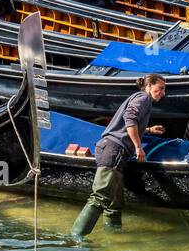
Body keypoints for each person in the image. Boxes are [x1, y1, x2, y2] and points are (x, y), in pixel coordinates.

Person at [70, 74, 167, 237]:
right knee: (100, 198)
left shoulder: (142, 99)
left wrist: (148, 130)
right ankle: (75, 238)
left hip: (112, 150)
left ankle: (112, 238)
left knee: (114, 205)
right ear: (149, 86)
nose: (163, 93)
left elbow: (128, 123)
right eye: (161, 88)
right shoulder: (143, 98)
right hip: (114, 150)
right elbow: (129, 119)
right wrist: (138, 147)